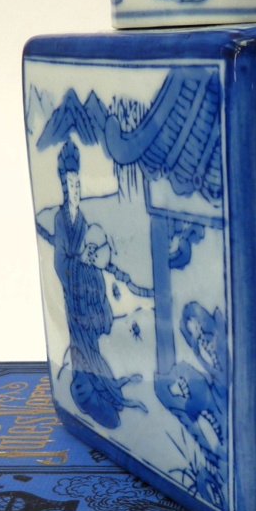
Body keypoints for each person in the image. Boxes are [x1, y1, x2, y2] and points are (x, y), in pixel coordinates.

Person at [53, 140, 146, 428]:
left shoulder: (81, 219)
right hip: (74, 299)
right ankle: (90, 395)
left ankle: (111, 394)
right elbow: (60, 262)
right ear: (63, 187)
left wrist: (92, 260)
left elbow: (93, 254)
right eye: (70, 185)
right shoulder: (61, 219)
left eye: (77, 184)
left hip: (88, 295)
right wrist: (80, 262)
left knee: (92, 348)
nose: (75, 190)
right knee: (82, 350)